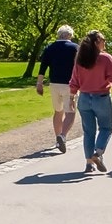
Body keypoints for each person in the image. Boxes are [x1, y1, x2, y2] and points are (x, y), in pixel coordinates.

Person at [69, 30, 112, 173]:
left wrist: (72, 96)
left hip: (84, 98)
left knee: (89, 132)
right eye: (103, 40)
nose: (105, 43)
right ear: (96, 43)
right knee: (106, 128)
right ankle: (98, 153)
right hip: (101, 97)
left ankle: (89, 163)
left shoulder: (80, 59)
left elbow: (74, 79)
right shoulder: (105, 58)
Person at [36, 25, 80, 153]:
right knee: (70, 113)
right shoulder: (75, 48)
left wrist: (39, 83)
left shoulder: (49, 48)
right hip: (70, 84)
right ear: (70, 35)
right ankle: (63, 135)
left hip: (54, 84)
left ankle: (57, 139)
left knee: (58, 111)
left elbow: (43, 66)